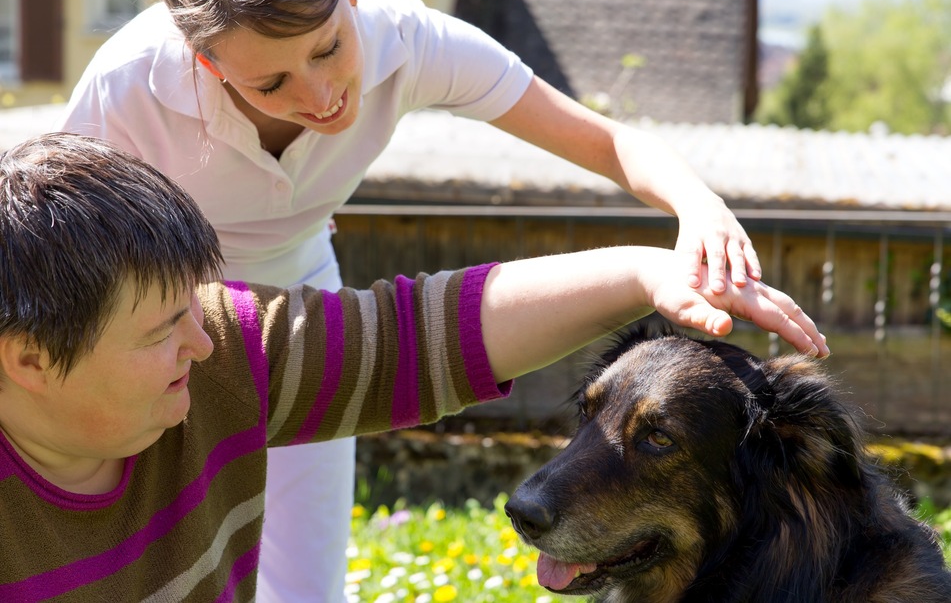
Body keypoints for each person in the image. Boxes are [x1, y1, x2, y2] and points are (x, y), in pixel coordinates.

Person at [56, 0, 766, 599]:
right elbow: (55, 257)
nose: (321, 94)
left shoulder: (408, 37)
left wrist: (697, 206)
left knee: (306, 580)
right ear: (205, 62)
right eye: (270, 84)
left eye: (327, 48)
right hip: (160, 327)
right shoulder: (129, 83)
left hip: (308, 316)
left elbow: (605, 141)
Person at [0, 133, 825, 602]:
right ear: (29, 358)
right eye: (160, 330)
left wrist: (647, 273)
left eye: (195, 305)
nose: (206, 343)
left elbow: (407, 337)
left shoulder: (224, 352)